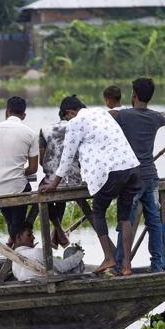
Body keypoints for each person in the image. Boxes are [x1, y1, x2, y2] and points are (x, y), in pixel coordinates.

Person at [39, 104, 141, 276]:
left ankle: (109, 257)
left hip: (112, 171)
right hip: (132, 167)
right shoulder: (102, 113)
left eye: (67, 117)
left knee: (98, 212)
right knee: (124, 218)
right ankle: (127, 266)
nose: (67, 122)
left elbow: (67, 156)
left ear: (71, 112)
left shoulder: (75, 122)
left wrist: (54, 184)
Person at [113, 78, 165, 273]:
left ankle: (119, 265)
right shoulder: (155, 117)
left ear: (134, 95)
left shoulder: (123, 116)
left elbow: (105, 116)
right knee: (154, 222)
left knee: (126, 221)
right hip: (150, 177)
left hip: (131, 179)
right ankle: (157, 265)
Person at [0, 96, 39, 246]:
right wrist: (16, 172)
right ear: (24, 115)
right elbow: (33, 168)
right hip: (17, 187)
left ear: (7, 112)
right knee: (22, 209)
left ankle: (13, 237)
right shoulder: (30, 133)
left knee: (12, 219)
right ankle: (15, 237)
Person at [39, 95, 92, 249]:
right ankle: (59, 232)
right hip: (76, 182)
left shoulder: (45, 130)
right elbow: (85, 159)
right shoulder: (81, 128)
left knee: (43, 190)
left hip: (52, 183)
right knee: (58, 192)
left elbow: (42, 161)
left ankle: (58, 230)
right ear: (69, 113)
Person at [11, 223, 85, 281]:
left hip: (35, 287)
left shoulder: (13, 261)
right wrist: (79, 254)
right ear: (18, 238)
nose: (33, 237)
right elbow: (63, 267)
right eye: (29, 235)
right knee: (70, 251)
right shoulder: (36, 252)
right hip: (52, 287)